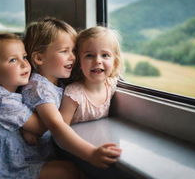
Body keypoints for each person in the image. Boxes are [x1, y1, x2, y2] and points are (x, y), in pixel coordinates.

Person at [0, 33, 78, 179]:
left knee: (67, 168)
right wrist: (74, 101)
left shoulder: (13, 92)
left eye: (24, 57)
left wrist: (25, 128)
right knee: (67, 171)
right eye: (13, 60)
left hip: (9, 160)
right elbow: (42, 126)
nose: (24, 64)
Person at [21, 17, 121, 170]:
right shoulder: (39, 88)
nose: (73, 57)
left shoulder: (57, 82)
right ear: (39, 58)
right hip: (27, 158)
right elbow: (57, 126)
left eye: (74, 51)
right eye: (64, 51)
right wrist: (91, 154)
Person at [59, 26, 122, 125]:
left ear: (115, 62)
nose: (97, 61)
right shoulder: (74, 95)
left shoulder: (111, 85)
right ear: (79, 62)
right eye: (89, 55)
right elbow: (60, 130)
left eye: (105, 55)